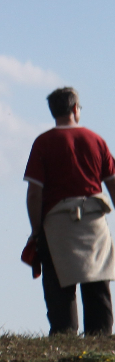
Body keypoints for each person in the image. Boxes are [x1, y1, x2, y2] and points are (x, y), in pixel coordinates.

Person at [24, 86, 115, 335]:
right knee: (97, 283)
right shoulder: (96, 141)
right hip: (93, 220)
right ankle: (101, 337)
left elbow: (34, 193)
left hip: (58, 221)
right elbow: (113, 184)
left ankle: (64, 336)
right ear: (76, 109)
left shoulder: (43, 143)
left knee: (58, 285)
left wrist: (36, 230)